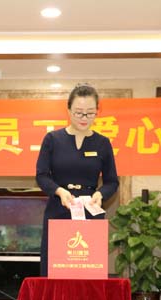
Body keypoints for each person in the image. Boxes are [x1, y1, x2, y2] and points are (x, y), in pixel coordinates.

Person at [35, 83, 119, 276]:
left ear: (97, 111)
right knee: (55, 271)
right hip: (59, 208)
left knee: (87, 273)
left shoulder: (102, 143)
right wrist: (59, 191)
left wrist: (100, 194)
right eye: (79, 113)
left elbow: (112, 181)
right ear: (68, 110)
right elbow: (42, 175)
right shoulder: (52, 139)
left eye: (90, 113)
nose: (84, 118)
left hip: (90, 210)